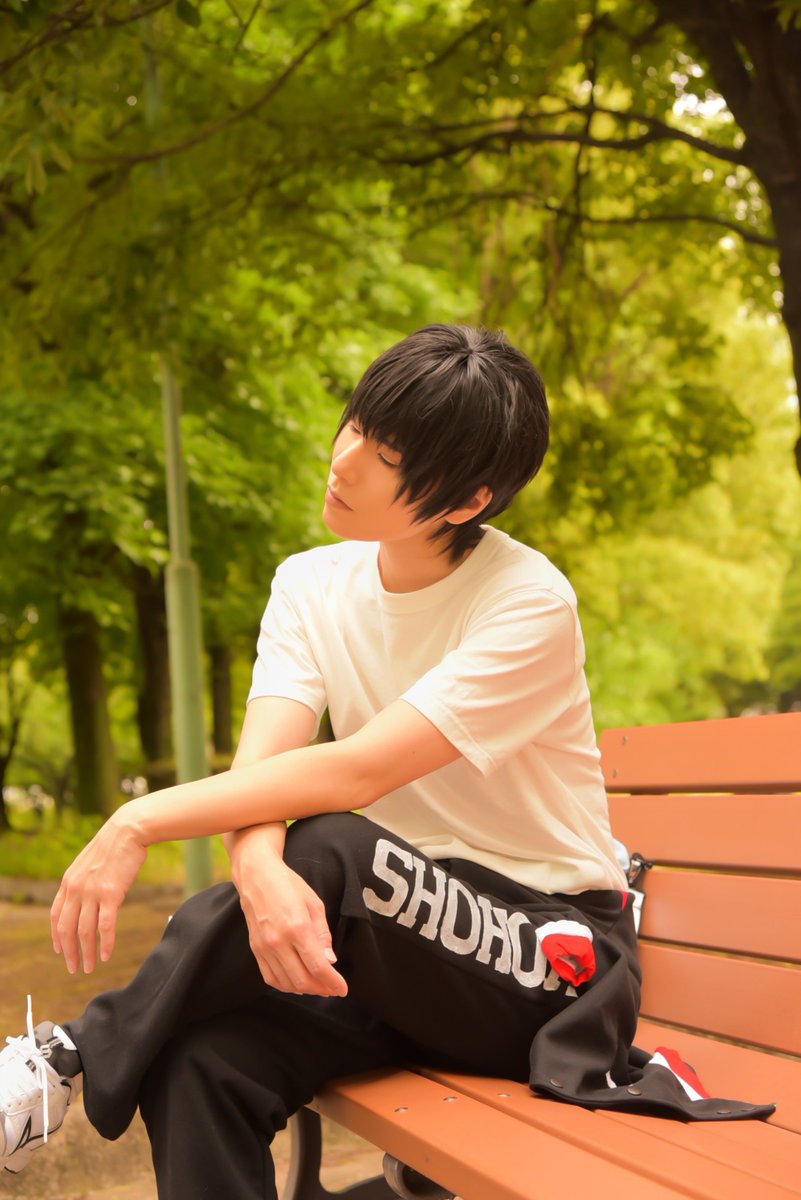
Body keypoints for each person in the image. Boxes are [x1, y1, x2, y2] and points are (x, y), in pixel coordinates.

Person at [0, 324, 770, 1197]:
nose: (345, 460)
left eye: (387, 455)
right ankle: (69, 1062)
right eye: (357, 425)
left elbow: (356, 773)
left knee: (334, 840)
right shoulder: (308, 585)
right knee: (200, 1063)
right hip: (395, 950)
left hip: (548, 961)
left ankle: (65, 1057)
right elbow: (258, 778)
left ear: (465, 501)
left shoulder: (527, 604)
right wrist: (258, 872)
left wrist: (136, 819)